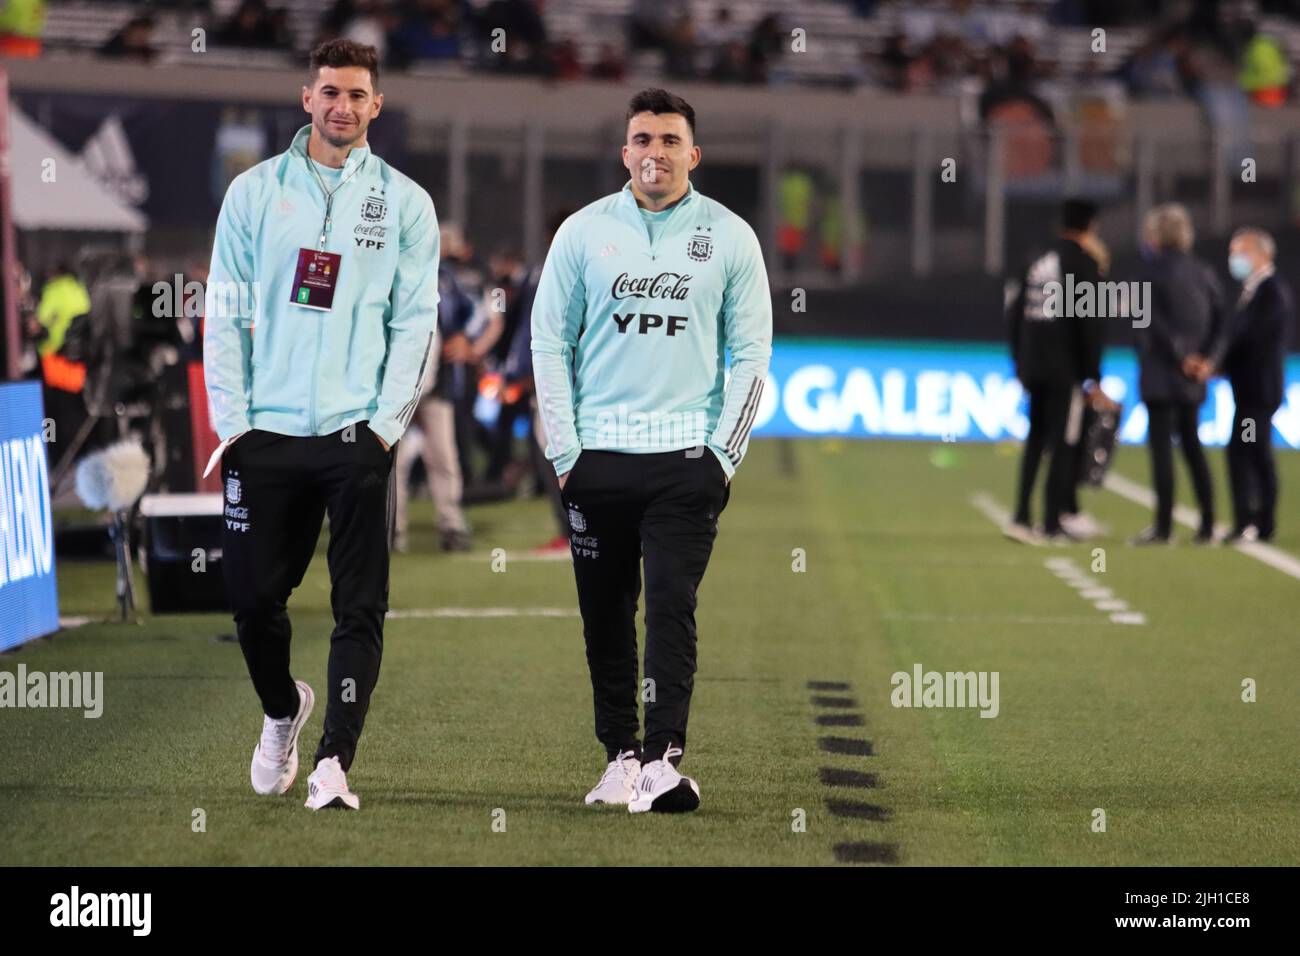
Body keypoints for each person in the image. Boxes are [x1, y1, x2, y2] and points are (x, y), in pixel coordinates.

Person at [203, 39, 439, 811]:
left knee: (358, 604)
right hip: (264, 433)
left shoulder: (405, 202)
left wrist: (385, 424)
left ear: (377, 106)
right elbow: (226, 312)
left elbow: (415, 321)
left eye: (358, 94)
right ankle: (282, 711)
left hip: (355, 435)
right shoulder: (253, 194)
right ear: (307, 98)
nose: (344, 105)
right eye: (330, 91)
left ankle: (335, 761)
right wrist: (232, 424)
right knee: (251, 601)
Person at [531, 88, 772, 813]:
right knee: (604, 616)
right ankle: (619, 757)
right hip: (598, 460)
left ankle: (664, 758)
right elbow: (548, 340)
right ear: (624, 151)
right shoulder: (581, 232)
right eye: (642, 138)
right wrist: (566, 453)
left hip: (682, 464)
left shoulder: (730, 237)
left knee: (671, 602)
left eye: (670, 140)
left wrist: (721, 460)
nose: (655, 153)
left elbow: (752, 353)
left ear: (693, 155)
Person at [1005, 198, 1115, 544]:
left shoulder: (1037, 258)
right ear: (1091, 227)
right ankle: (1052, 522)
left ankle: (1022, 515)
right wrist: (1092, 376)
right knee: (1065, 443)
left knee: (1036, 438)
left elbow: (1014, 314)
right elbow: (1090, 324)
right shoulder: (1082, 264)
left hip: (1034, 364)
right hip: (1063, 369)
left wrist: (1020, 362)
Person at [1192, 227, 1294, 543]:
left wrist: (1217, 365)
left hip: (1258, 391)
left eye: (1241, 251)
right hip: (1251, 391)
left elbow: (1251, 339)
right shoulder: (1256, 290)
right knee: (1249, 451)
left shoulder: (1272, 291)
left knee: (1249, 452)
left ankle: (1254, 522)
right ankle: (1255, 521)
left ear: (1262, 254)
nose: (1234, 258)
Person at [1131, 203, 1221, 545]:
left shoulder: (1147, 272)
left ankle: (1164, 527)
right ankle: (1209, 524)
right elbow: (1221, 320)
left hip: (1160, 373)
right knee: (1193, 446)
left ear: (1155, 235)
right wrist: (1205, 359)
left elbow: (1147, 322)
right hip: (1193, 377)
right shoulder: (1204, 272)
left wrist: (1180, 356)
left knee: (1162, 449)